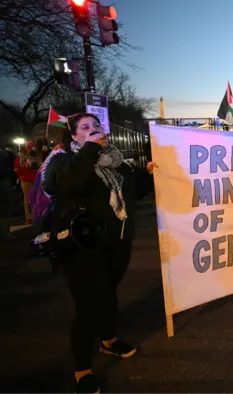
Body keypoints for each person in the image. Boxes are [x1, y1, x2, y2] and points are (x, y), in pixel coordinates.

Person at [42, 113, 155, 393]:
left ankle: (108, 340)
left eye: (96, 126)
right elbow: (65, 184)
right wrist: (91, 150)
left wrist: (148, 175)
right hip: (82, 248)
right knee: (88, 304)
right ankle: (82, 368)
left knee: (108, 294)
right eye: (85, 127)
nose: (94, 130)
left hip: (117, 244)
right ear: (74, 135)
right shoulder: (63, 160)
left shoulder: (117, 162)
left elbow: (135, 192)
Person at [14, 141, 40, 224]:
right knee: (27, 199)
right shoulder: (22, 156)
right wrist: (25, 167)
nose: (32, 149)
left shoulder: (36, 155)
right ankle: (29, 217)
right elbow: (17, 169)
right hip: (26, 180)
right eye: (31, 147)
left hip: (35, 179)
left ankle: (35, 215)